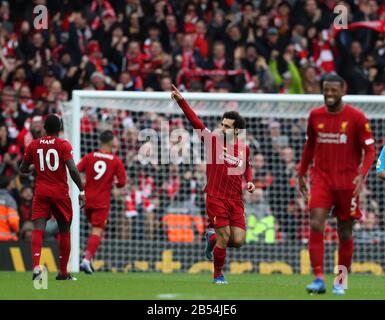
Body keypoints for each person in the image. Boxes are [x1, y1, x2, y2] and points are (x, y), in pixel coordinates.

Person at [297, 74, 376, 295]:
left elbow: (370, 150)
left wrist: (362, 174)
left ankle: (340, 280)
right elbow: (310, 146)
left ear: (343, 90)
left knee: (345, 232)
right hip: (322, 179)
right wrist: (301, 173)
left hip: (347, 183)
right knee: (316, 223)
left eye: (333, 90)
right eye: (326, 90)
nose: (329, 94)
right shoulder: (315, 116)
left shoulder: (357, 118)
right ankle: (319, 278)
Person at [171, 84, 255, 284]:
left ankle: (211, 239)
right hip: (215, 197)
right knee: (225, 237)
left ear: (236, 131)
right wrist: (182, 102)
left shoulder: (244, 148)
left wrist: (250, 180)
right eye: (222, 124)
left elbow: (247, 166)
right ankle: (218, 275)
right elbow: (196, 122)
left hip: (236, 201)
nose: (222, 127)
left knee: (238, 241)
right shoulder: (212, 141)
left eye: (227, 126)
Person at [19, 114, 85, 281]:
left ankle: (36, 268)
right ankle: (63, 273)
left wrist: (37, 165)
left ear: (44, 128)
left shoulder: (33, 145)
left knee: (38, 229)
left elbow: (23, 168)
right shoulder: (63, 144)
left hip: (41, 192)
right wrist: (82, 190)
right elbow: (73, 169)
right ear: (60, 128)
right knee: (64, 231)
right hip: (60, 193)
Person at [77, 130, 127, 274]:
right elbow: (122, 182)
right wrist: (115, 184)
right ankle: (86, 261)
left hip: (86, 200)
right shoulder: (115, 160)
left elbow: (76, 169)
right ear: (111, 142)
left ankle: (87, 256)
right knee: (97, 231)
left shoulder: (89, 156)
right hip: (101, 202)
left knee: (94, 230)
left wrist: (85, 182)